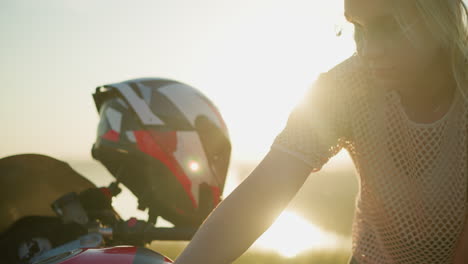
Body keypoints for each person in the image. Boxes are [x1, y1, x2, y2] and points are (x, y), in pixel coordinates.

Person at [174, 0, 468, 263]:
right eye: (359, 29)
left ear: (439, 14)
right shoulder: (345, 87)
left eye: (390, 26)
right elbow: (262, 192)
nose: (369, 51)